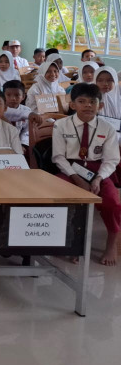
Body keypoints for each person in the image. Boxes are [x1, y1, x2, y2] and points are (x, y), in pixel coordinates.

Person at [52, 82, 121, 265]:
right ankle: (71, 241)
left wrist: (99, 178)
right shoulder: (61, 125)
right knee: (59, 196)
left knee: (112, 202)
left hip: (98, 172)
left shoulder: (108, 128)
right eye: (82, 101)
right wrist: (76, 178)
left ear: (101, 105)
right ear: (72, 104)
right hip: (70, 170)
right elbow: (58, 157)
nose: (88, 105)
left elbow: (111, 160)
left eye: (93, 101)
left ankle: (112, 242)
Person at [3, 80, 33, 148]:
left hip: (20, 144)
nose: (13, 98)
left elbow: (26, 131)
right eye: (8, 95)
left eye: (17, 95)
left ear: (23, 96)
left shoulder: (26, 111)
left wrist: (22, 144)